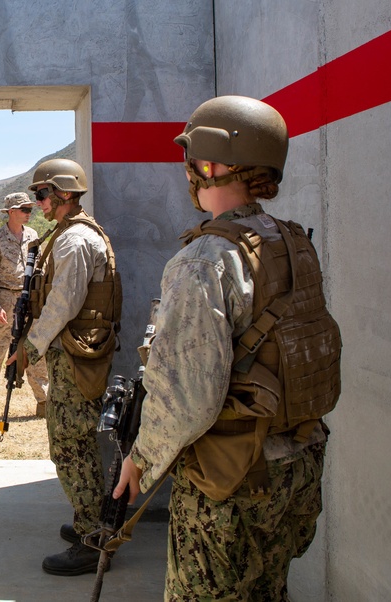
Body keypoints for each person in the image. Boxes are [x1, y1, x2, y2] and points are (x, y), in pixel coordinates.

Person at [113, 96, 342, 600]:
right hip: (298, 468)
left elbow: (186, 398)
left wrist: (141, 458)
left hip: (235, 481)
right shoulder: (294, 242)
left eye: (193, 161)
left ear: (212, 164)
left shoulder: (204, 259)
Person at [8, 158, 123, 576]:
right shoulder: (68, 235)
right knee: (74, 443)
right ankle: (87, 522)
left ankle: (93, 539)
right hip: (73, 355)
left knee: (70, 445)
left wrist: (29, 350)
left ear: (65, 193)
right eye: (37, 196)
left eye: (42, 194)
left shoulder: (74, 241)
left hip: (76, 358)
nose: (38, 202)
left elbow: (62, 305)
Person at [0, 192, 49, 422]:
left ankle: (43, 401)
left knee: (34, 350)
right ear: (11, 212)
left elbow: (41, 267)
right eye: (24, 209)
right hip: (4, 300)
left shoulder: (33, 236)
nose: (28, 213)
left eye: (29, 209)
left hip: (30, 302)